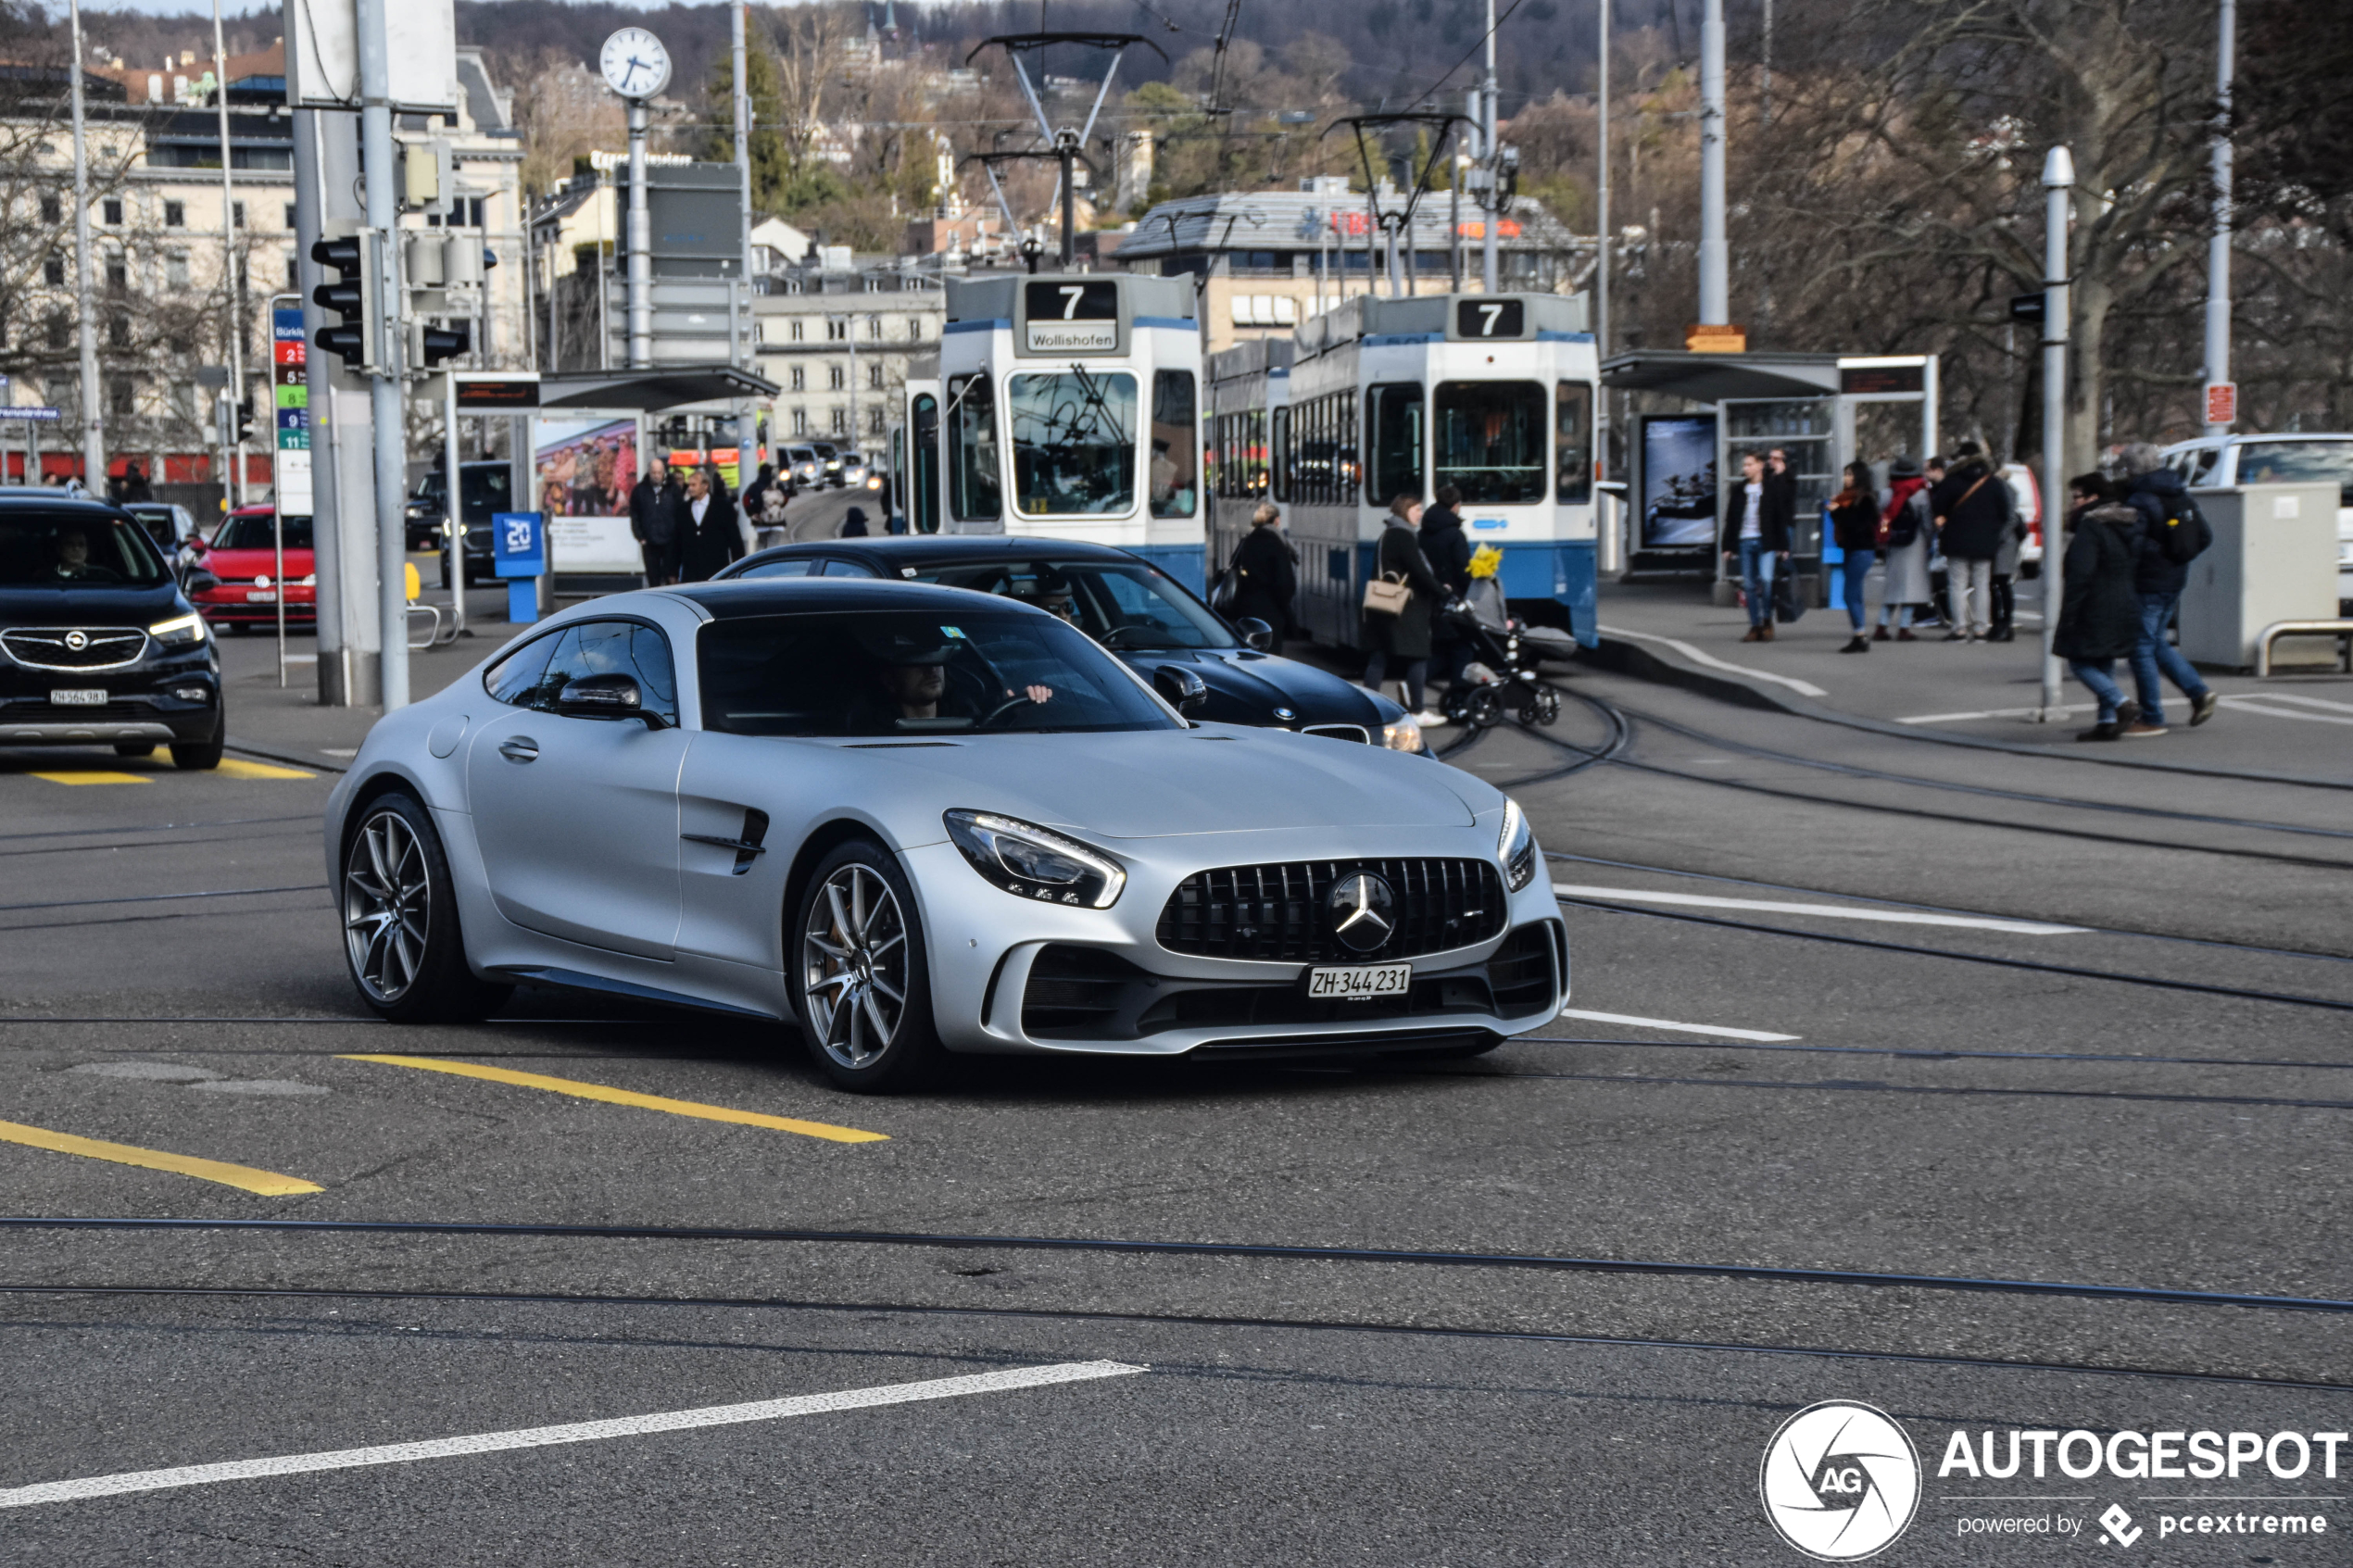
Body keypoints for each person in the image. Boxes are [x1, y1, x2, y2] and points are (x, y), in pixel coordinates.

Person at [2116, 441, 2219, 736]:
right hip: (2174, 578)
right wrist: (2174, 557)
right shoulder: (2178, 492)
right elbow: (2204, 536)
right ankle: (2198, 692)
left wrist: (2150, 556)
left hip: (2148, 581)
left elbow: (2132, 544)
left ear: (2131, 470)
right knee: (2156, 642)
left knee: (2140, 649)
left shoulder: (2140, 499)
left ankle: (2152, 716)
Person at [2055, 483, 2147, 741]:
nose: (2073, 503)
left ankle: (2121, 703)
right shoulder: (2127, 524)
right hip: (2125, 599)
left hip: (2095, 602)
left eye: (2077, 498)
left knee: (2078, 662)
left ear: (2093, 499)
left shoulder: (2090, 527)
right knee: (2104, 659)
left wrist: (2069, 610)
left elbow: (2081, 572)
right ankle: (2106, 721)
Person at [1361, 494, 1447, 725]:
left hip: (1382, 604)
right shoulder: (1403, 536)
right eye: (1417, 509)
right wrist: (1442, 592)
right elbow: (1419, 571)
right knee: (1418, 655)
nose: (1421, 514)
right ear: (1405, 510)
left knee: (1379, 656)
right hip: (1405, 607)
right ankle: (1418, 711)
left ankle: (1365, 708)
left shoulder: (1388, 534)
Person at [1929, 440, 2008, 642]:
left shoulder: (1952, 480)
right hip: (1985, 542)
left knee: (1957, 585)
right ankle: (1981, 629)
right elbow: (2005, 512)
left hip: (1956, 539)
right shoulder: (1993, 482)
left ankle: (1960, 628)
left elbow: (1938, 507)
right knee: (1982, 584)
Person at [1720, 450, 1793, 642]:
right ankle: (1755, 625)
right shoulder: (1739, 490)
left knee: (1767, 580)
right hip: (1745, 541)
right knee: (1750, 585)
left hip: (1765, 542)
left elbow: (1779, 518)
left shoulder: (1770, 488)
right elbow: (1731, 519)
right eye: (1744, 465)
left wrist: (1783, 546)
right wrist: (1727, 546)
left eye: (1749, 464)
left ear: (1760, 465)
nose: (1746, 468)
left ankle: (1767, 620)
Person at [1873, 455, 1932, 641]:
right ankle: (1904, 628)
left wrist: (1882, 537)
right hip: (1916, 543)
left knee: (1893, 588)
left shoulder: (1886, 493)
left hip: (1894, 543)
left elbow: (1881, 518)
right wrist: (1930, 540)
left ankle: (1882, 626)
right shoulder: (1921, 493)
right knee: (1911, 589)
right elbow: (1927, 522)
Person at [1420, 483, 1474, 684]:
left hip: (1432, 597)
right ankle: (1458, 694)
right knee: (1462, 648)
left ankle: (1414, 684)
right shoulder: (1455, 534)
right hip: (1453, 597)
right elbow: (1463, 569)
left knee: (1442, 648)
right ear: (1456, 505)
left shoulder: (1423, 532)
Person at [1826, 460, 1881, 654]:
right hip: (1851, 550)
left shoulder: (1865, 499)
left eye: (1850, 475)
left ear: (1859, 477)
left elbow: (1857, 525)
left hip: (1862, 550)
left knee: (1850, 593)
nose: (1846, 478)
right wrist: (1837, 511)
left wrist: (1838, 511)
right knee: (1853, 593)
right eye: (1845, 474)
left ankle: (1860, 635)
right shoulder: (1846, 498)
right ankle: (1859, 635)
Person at [1227, 500, 1299, 641]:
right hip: (1271, 613)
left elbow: (1234, 568)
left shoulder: (1247, 541)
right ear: (1277, 521)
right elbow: (1285, 582)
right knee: (1271, 657)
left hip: (1246, 610)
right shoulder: (1277, 544)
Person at [673, 467, 745, 583]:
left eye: (693, 485)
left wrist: (740, 568)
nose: (689, 488)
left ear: (705, 486)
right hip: (691, 574)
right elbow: (676, 543)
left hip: (717, 571)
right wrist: (673, 572)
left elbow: (734, 539)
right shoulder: (683, 510)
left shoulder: (722, 507)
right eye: (689, 485)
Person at [628, 459, 676, 586]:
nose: (656, 475)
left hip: (670, 542)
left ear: (664, 472)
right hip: (649, 542)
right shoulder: (640, 490)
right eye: (654, 472)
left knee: (670, 576)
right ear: (649, 472)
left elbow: (680, 513)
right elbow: (634, 514)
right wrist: (640, 536)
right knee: (653, 578)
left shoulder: (673, 489)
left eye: (659, 472)